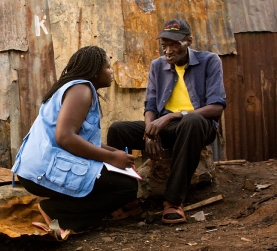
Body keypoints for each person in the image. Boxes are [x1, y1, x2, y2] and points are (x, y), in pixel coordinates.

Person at [107, 19, 226, 224]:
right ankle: (126, 198)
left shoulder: (210, 61)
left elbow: (217, 107)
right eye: (164, 46)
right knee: (118, 130)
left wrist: (172, 116)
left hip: (199, 126)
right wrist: (149, 131)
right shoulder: (157, 66)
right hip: (167, 126)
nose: (168, 51)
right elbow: (151, 106)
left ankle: (173, 201)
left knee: (192, 121)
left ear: (188, 41)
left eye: (174, 45)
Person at [11, 46, 138, 235]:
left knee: (120, 178)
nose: (111, 72)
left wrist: (112, 152)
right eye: (108, 67)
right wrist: (111, 159)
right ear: (95, 71)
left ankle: (66, 211)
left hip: (35, 170)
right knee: (126, 187)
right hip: (41, 172)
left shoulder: (75, 87)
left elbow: (76, 137)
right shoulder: (81, 89)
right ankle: (57, 214)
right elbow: (65, 137)